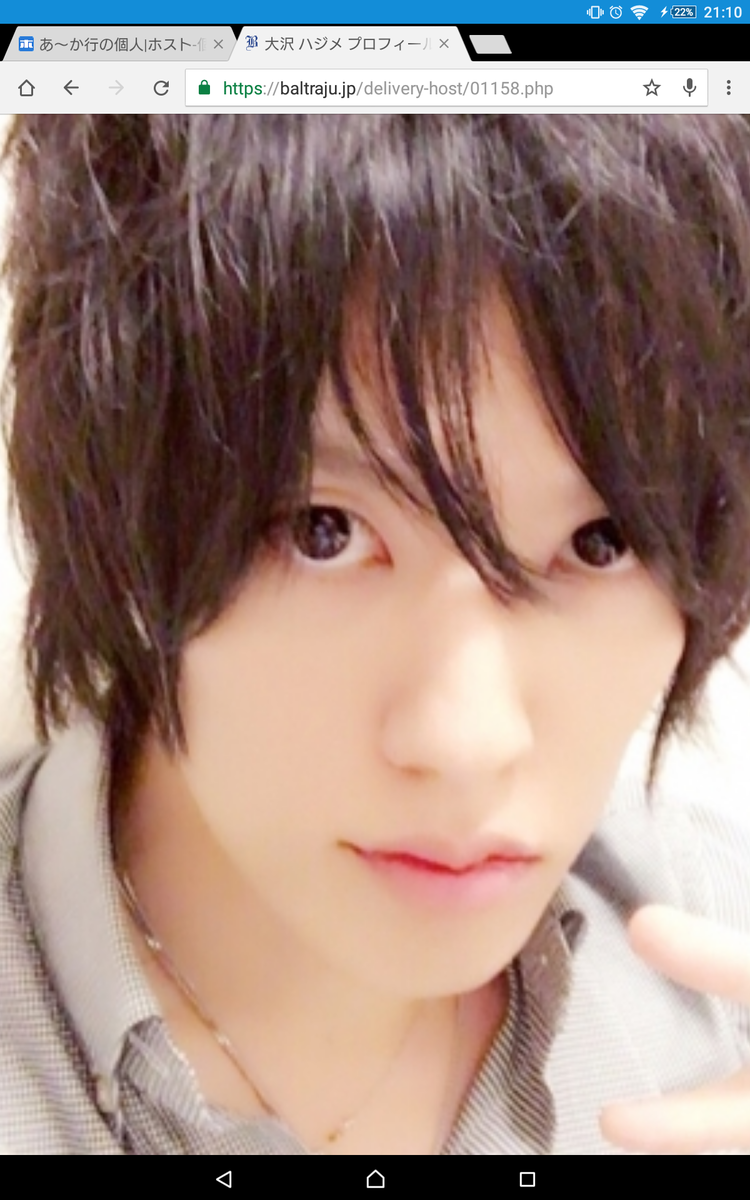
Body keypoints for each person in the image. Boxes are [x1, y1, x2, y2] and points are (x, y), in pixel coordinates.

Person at [2, 113, 750, 1156]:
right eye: (325, 532)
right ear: (112, 501)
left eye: (601, 539)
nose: (466, 739)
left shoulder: (718, 946)